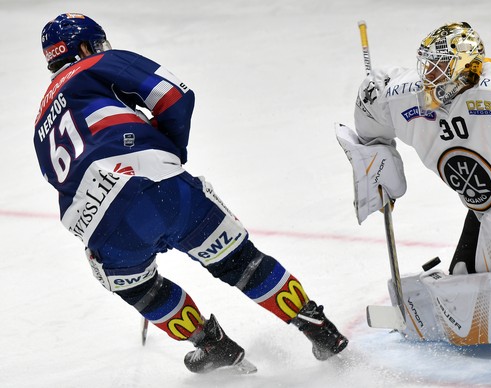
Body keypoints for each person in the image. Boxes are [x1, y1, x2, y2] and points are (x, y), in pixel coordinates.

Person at [34, 13, 347, 374]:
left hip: (103, 230)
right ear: (85, 47)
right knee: (240, 261)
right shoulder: (98, 63)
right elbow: (174, 95)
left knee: (140, 289)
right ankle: (317, 327)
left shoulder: (40, 125)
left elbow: (61, 181)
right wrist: (170, 151)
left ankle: (211, 345)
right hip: (162, 188)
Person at [336, 21, 491, 344]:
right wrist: (374, 158)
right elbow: (371, 106)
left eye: (440, 70)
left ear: (467, 71)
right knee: (464, 316)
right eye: (428, 68)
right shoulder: (406, 96)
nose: (430, 79)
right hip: (486, 213)